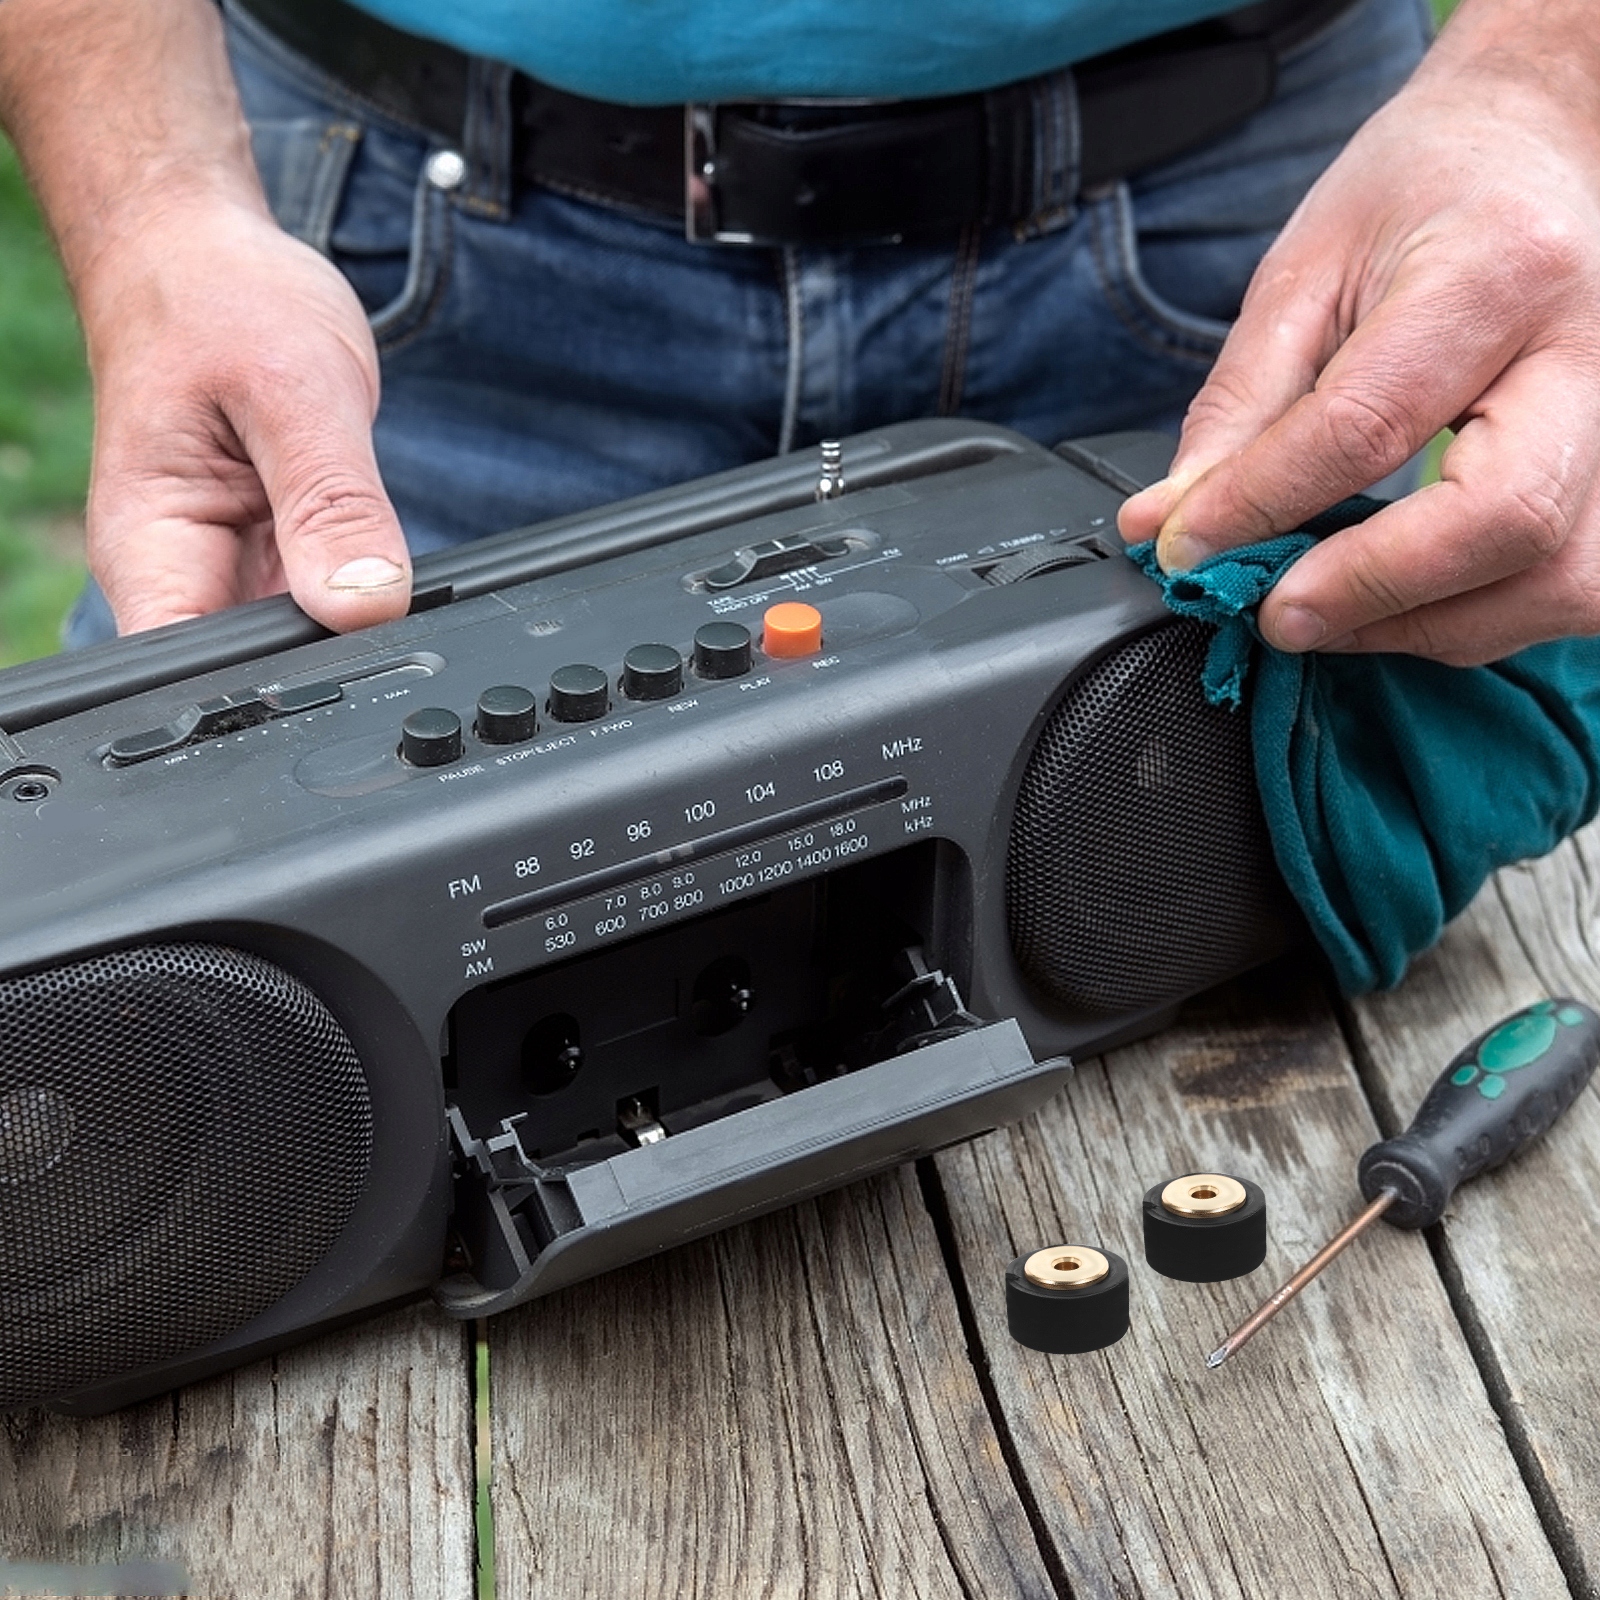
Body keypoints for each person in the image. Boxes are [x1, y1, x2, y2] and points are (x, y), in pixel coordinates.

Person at [0, 0, 1590, 668]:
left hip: (1245, 249)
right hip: (381, 281)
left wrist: (1546, 87)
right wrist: (148, 205)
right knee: (181, 1128)